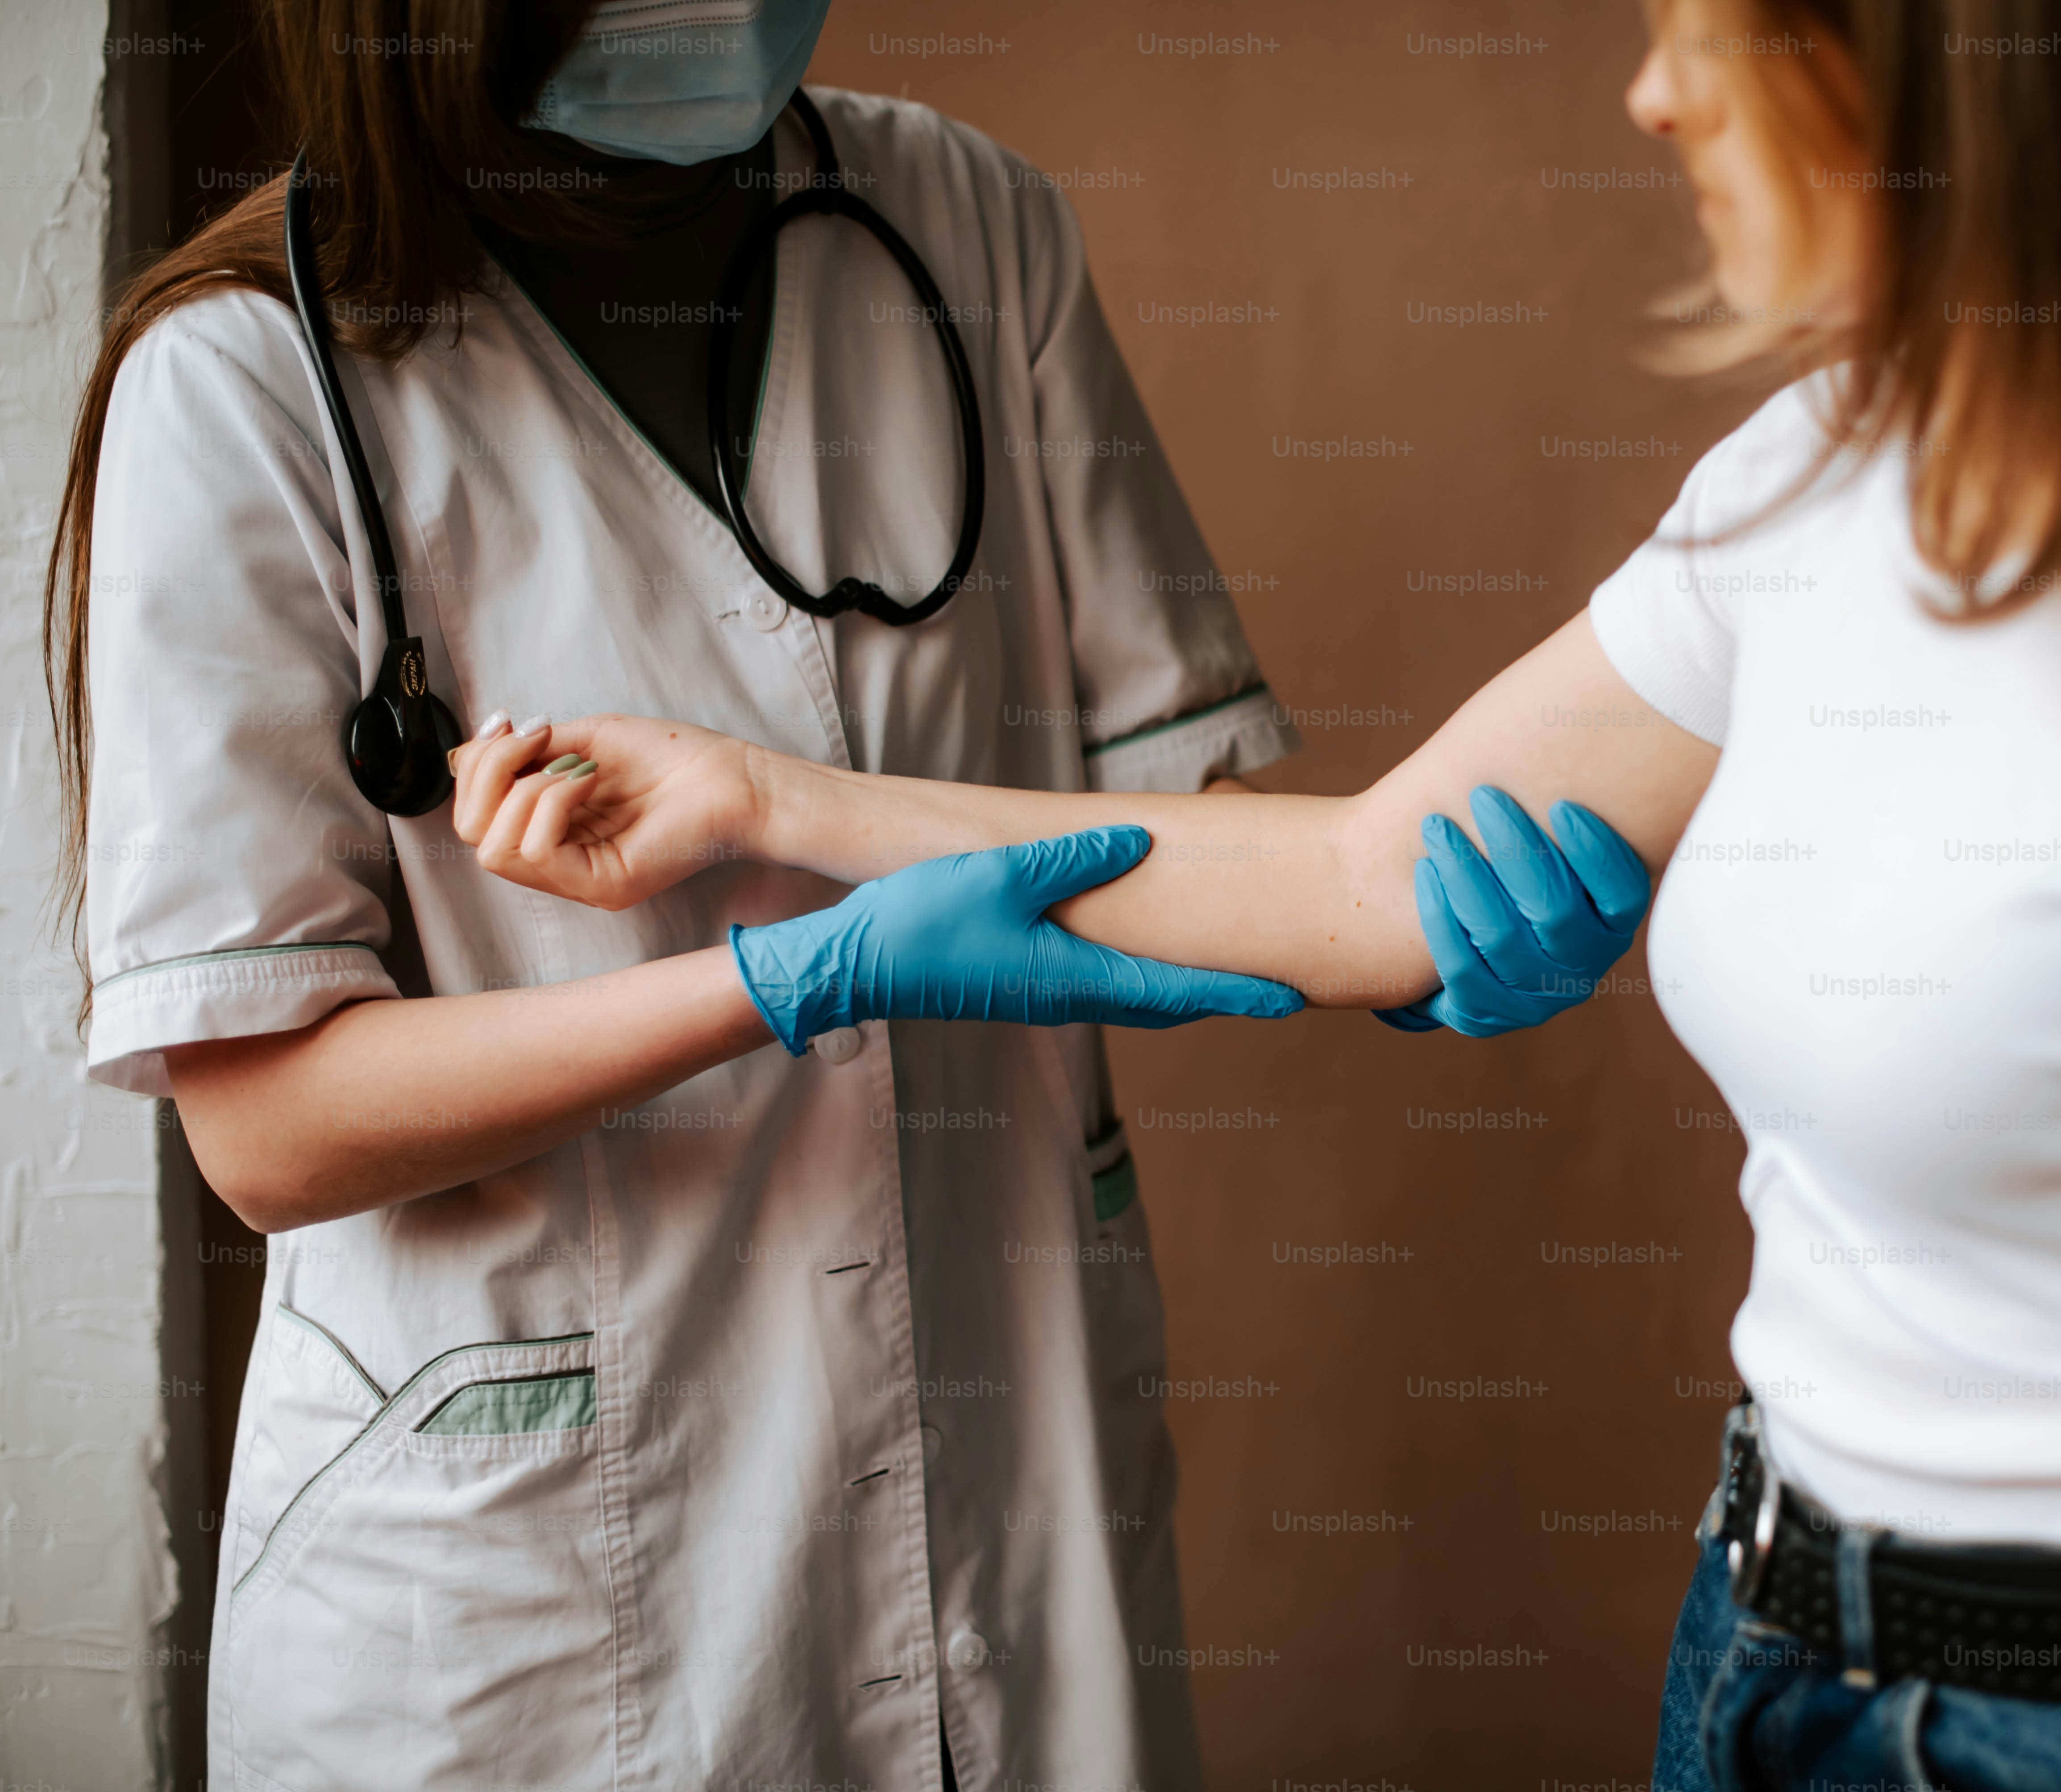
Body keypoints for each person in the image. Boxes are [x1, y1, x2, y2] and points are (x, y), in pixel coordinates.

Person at [450, 3, 2061, 1789]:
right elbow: (1361, 873)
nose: (1656, 88)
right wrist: (763, 798)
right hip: (1756, 1652)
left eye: (1720, 24)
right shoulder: (1811, 480)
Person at [45, 3, 1637, 1788]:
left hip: (999, 1434)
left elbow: (1189, 818)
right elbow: (266, 1127)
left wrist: (1401, 938)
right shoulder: (248, 375)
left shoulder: (965, 217)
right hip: (538, 1586)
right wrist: (788, 977)